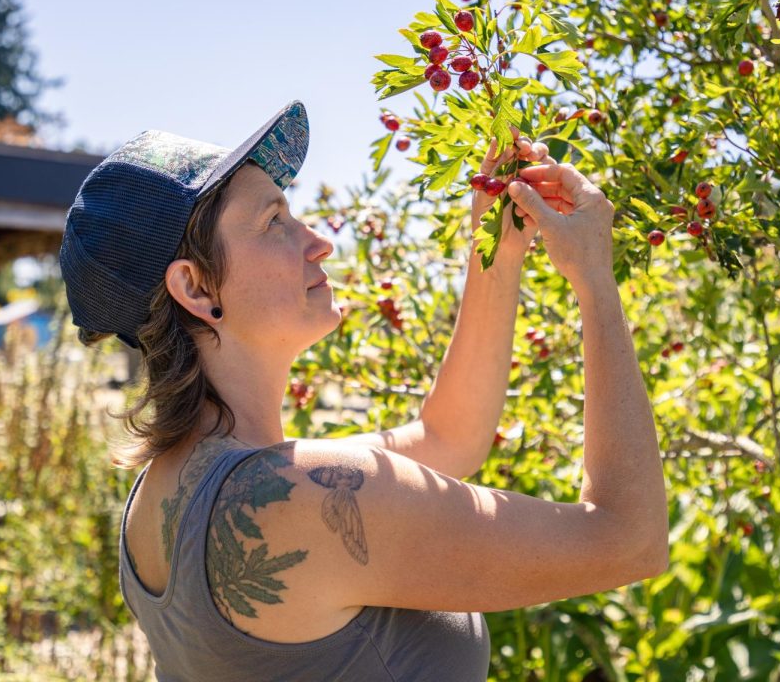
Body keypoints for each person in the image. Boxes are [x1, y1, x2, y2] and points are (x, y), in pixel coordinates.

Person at [59, 100, 669, 681]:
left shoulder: (170, 491)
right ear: (196, 289)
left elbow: (446, 438)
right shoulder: (292, 498)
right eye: (273, 221)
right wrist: (594, 279)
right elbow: (628, 539)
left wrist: (497, 255)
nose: (317, 241)